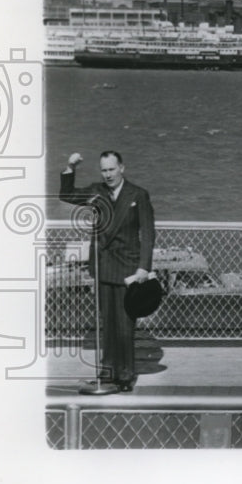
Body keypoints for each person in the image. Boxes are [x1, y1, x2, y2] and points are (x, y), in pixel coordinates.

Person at [59, 151, 155, 392]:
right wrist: (70, 167)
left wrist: (144, 266)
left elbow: (148, 234)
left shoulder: (138, 195)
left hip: (128, 268)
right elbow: (67, 195)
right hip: (102, 266)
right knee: (107, 323)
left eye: (112, 169)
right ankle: (107, 372)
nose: (108, 174)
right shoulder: (97, 191)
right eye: (104, 170)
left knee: (124, 323)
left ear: (122, 168)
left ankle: (125, 376)